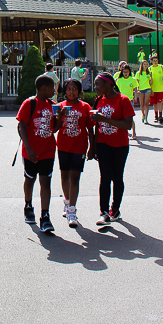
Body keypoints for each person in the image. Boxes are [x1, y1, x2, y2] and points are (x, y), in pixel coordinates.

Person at [91, 72, 135, 225]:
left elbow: (128, 124)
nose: (95, 87)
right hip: (103, 143)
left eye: (98, 84)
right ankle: (103, 212)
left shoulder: (123, 100)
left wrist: (104, 119)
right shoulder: (98, 100)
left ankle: (115, 208)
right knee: (105, 178)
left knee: (117, 177)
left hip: (120, 145)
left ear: (108, 84)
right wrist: (94, 146)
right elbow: (97, 125)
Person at [16, 74, 58, 232]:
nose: (54, 90)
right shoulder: (29, 103)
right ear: (43, 88)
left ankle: (45, 216)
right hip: (31, 151)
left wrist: (59, 117)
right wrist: (29, 147)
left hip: (48, 150)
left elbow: (54, 128)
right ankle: (28, 204)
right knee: (30, 179)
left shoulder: (53, 105)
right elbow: (22, 126)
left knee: (45, 181)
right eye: (52, 87)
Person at [55, 78, 95, 227]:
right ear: (65, 91)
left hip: (79, 147)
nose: (71, 92)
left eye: (74, 89)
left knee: (75, 178)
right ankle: (67, 200)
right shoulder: (60, 106)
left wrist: (92, 147)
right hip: (63, 146)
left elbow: (90, 128)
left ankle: (72, 210)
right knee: (64, 176)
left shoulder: (85, 107)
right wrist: (60, 115)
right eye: (68, 89)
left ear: (79, 91)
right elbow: (55, 128)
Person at [116, 64, 138, 139]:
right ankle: (123, 133)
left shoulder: (133, 79)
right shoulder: (119, 80)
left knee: (130, 117)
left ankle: (134, 133)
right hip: (121, 100)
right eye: (124, 72)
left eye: (127, 72)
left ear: (129, 72)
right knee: (121, 117)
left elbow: (135, 89)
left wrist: (136, 97)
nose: (125, 73)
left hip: (129, 100)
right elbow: (116, 91)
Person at [149, 54, 163, 123]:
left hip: (161, 88)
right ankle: (156, 116)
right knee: (154, 103)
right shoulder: (150, 69)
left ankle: (160, 116)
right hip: (153, 88)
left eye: (156, 60)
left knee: (160, 102)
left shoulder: (161, 67)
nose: (155, 62)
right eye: (154, 60)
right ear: (151, 61)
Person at [135, 60, 152, 124]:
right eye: (144, 64)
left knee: (146, 103)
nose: (145, 65)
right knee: (142, 104)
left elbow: (151, 83)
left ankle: (146, 117)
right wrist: (137, 90)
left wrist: (151, 76)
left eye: (146, 64)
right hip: (141, 89)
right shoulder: (138, 73)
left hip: (147, 88)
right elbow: (137, 83)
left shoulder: (149, 72)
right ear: (142, 65)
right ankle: (143, 114)